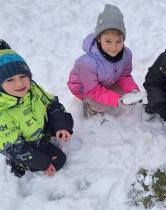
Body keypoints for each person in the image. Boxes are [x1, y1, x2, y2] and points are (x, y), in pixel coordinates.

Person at [0, 40, 74, 178]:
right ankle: (18, 164)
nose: (20, 83)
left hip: (41, 127)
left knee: (67, 121)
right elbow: (12, 147)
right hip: (27, 144)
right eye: (10, 80)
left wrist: (61, 125)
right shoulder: (2, 113)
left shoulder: (32, 88)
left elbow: (52, 104)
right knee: (58, 161)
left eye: (23, 76)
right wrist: (39, 161)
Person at [67, 4, 139, 118]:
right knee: (104, 106)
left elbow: (124, 75)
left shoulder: (126, 54)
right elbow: (93, 90)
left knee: (127, 91)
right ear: (99, 39)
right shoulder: (87, 64)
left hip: (105, 81)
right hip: (84, 88)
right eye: (108, 41)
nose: (114, 47)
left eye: (119, 41)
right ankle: (90, 106)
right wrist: (116, 100)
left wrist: (133, 90)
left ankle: (105, 97)